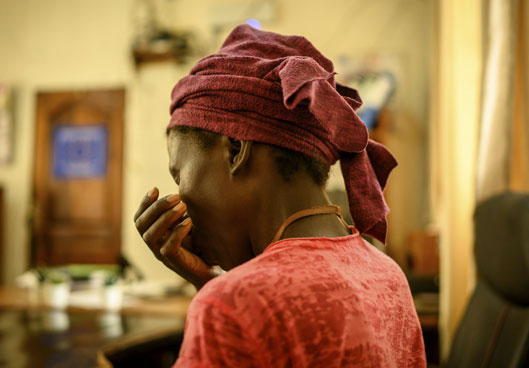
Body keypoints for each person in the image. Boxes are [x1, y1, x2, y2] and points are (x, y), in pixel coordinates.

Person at [134, 24, 426, 367]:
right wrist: (211, 283)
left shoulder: (231, 308)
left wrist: (219, 295)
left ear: (235, 149)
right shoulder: (388, 277)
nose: (180, 197)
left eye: (179, 174)